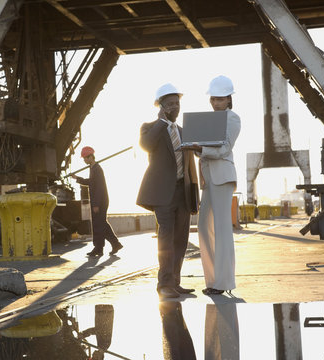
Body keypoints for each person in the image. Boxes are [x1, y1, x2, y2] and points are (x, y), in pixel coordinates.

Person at [136, 83, 200, 299]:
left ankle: (175, 282)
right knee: (166, 237)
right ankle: (164, 284)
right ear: (161, 107)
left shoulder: (186, 131)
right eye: (170, 104)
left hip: (183, 191)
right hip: (162, 193)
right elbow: (146, 145)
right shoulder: (149, 127)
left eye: (177, 103)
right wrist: (162, 121)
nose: (175, 107)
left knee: (181, 239)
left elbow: (198, 155)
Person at [184, 75, 241, 296]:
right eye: (213, 99)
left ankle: (224, 282)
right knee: (204, 229)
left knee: (223, 230)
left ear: (228, 99)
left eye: (219, 99)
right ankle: (212, 280)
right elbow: (205, 150)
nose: (215, 103)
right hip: (208, 179)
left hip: (223, 177)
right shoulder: (209, 121)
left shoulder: (232, 118)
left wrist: (202, 149)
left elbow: (225, 149)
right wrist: (196, 149)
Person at [72, 146, 123, 257]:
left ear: (90, 157)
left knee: (99, 225)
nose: (84, 160)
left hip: (100, 201)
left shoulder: (97, 169)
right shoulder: (93, 168)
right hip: (99, 200)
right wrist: (77, 178)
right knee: (100, 224)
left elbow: (99, 188)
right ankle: (108, 246)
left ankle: (102, 247)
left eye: (85, 158)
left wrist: (96, 204)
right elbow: (90, 182)